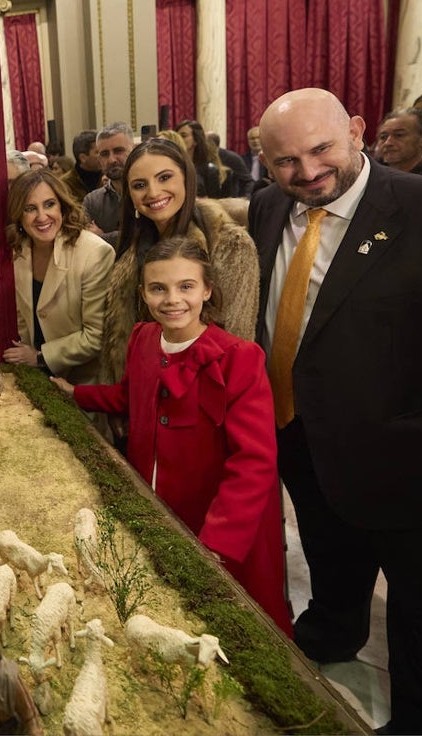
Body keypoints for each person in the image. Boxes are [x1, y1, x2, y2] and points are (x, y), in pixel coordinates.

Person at [250, 88, 422, 733]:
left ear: (358, 132)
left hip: (409, 459)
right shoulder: (264, 210)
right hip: (303, 438)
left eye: (321, 150)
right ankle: (332, 634)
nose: (307, 172)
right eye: (286, 161)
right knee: (329, 555)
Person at [53, 238, 291, 633]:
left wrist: (216, 545)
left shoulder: (239, 358)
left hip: (218, 523)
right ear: (143, 293)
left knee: (226, 623)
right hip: (159, 508)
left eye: (186, 287)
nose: (172, 300)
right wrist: (75, 393)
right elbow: (129, 396)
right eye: (158, 288)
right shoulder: (143, 338)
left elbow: (254, 462)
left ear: (207, 290)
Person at [98, 136, 259, 391]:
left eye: (164, 178)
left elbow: (236, 340)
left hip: (201, 400)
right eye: (140, 185)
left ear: (186, 177)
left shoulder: (229, 243)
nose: (153, 193)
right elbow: (120, 336)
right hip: (143, 397)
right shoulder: (133, 246)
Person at [1, 168, 114, 384]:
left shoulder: (94, 253)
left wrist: (40, 357)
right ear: (18, 214)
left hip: (82, 381)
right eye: (30, 208)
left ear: (62, 205)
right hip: (34, 375)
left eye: (49, 204)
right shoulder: (17, 250)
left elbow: (95, 336)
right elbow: (22, 318)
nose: (42, 217)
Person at [82, 122, 133, 241]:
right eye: (105, 154)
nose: (111, 160)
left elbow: (146, 237)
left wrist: (102, 237)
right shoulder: (92, 201)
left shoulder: (147, 193)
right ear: (99, 159)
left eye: (118, 151)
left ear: (133, 150)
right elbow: (86, 242)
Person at [176, 119, 249, 198]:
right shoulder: (173, 166)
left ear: (196, 140)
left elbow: (215, 203)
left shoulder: (209, 170)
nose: (178, 139)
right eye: (176, 136)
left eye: (183, 136)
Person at [61, 130, 102, 201]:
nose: (102, 155)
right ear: (83, 157)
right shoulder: (66, 184)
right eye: (97, 152)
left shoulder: (108, 178)